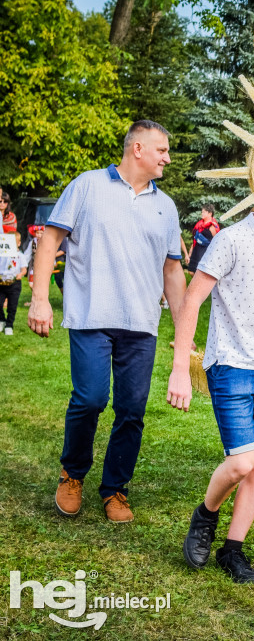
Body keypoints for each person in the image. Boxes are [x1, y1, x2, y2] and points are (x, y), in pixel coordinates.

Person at [28, 119, 185, 523]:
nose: (168, 157)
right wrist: (40, 299)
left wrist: (184, 331)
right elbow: (50, 242)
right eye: (162, 150)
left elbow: (172, 272)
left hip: (141, 325)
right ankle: (72, 473)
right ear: (137, 149)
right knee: (91, 398)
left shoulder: (165, 206)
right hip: (91, 316)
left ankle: (115, 488)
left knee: (131, 409)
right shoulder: (87, 186)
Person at [168, 153, 254, 583]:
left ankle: (233, 550)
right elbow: (192, 300)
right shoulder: (229, 240)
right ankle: (205, 515)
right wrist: (178, 367)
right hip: (229, 363)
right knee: (242, 463)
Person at [0, 232, 27, 335]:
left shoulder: (20, 256)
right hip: (2, 283)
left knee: (12, 306)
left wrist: (20, 275)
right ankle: (2, 320)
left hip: (14, 284)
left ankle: (9, 325)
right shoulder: (2, 255)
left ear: (19, 243)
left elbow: (24, 269)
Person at [187, 204, 220, 274]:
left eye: (204, 212)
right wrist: (190, 251)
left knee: (200, 272)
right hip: (196, 249)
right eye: (202, 212)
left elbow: (216, 241)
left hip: (205, 251)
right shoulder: (199, 224)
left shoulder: (212, 226)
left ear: (210, 213)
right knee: (191, 272)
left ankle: (199, 285)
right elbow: (195, 238)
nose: (202, 213)